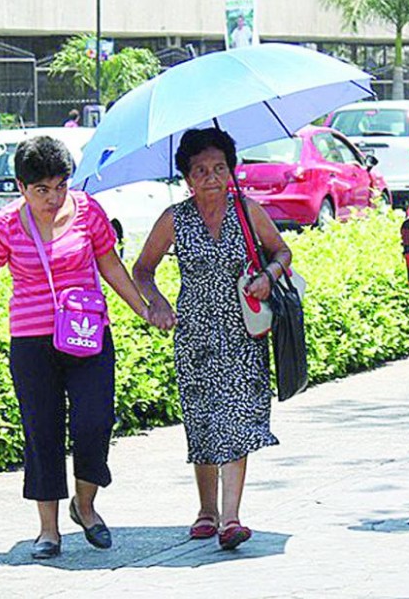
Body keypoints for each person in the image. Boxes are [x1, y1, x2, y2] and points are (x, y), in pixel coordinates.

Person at [0, 136, 152, 559]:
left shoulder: (88, 213)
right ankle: (48, 530)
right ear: (21, 187)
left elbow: (110, 266)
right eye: (41, 189)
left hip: (87, 335)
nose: (52, 197)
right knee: (41, 432)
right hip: (31, 342)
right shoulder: (6, 226)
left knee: (94, 422)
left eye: (59, 185)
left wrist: (144, 309)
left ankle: (85, 506)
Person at [133, 127, 291, 551]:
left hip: (244, 331)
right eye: (200, 170)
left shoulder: (247, 210)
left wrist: (267, 277)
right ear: (187, 177)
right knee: (202, 420)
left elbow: (282, 252)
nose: (212, 177)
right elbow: (142, 270)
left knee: (236, 419)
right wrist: (159, 304)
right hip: (195, 335)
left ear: (231, 170)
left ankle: (232, 517)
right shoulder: (174, 219)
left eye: (220, 167)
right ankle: (207, 511)